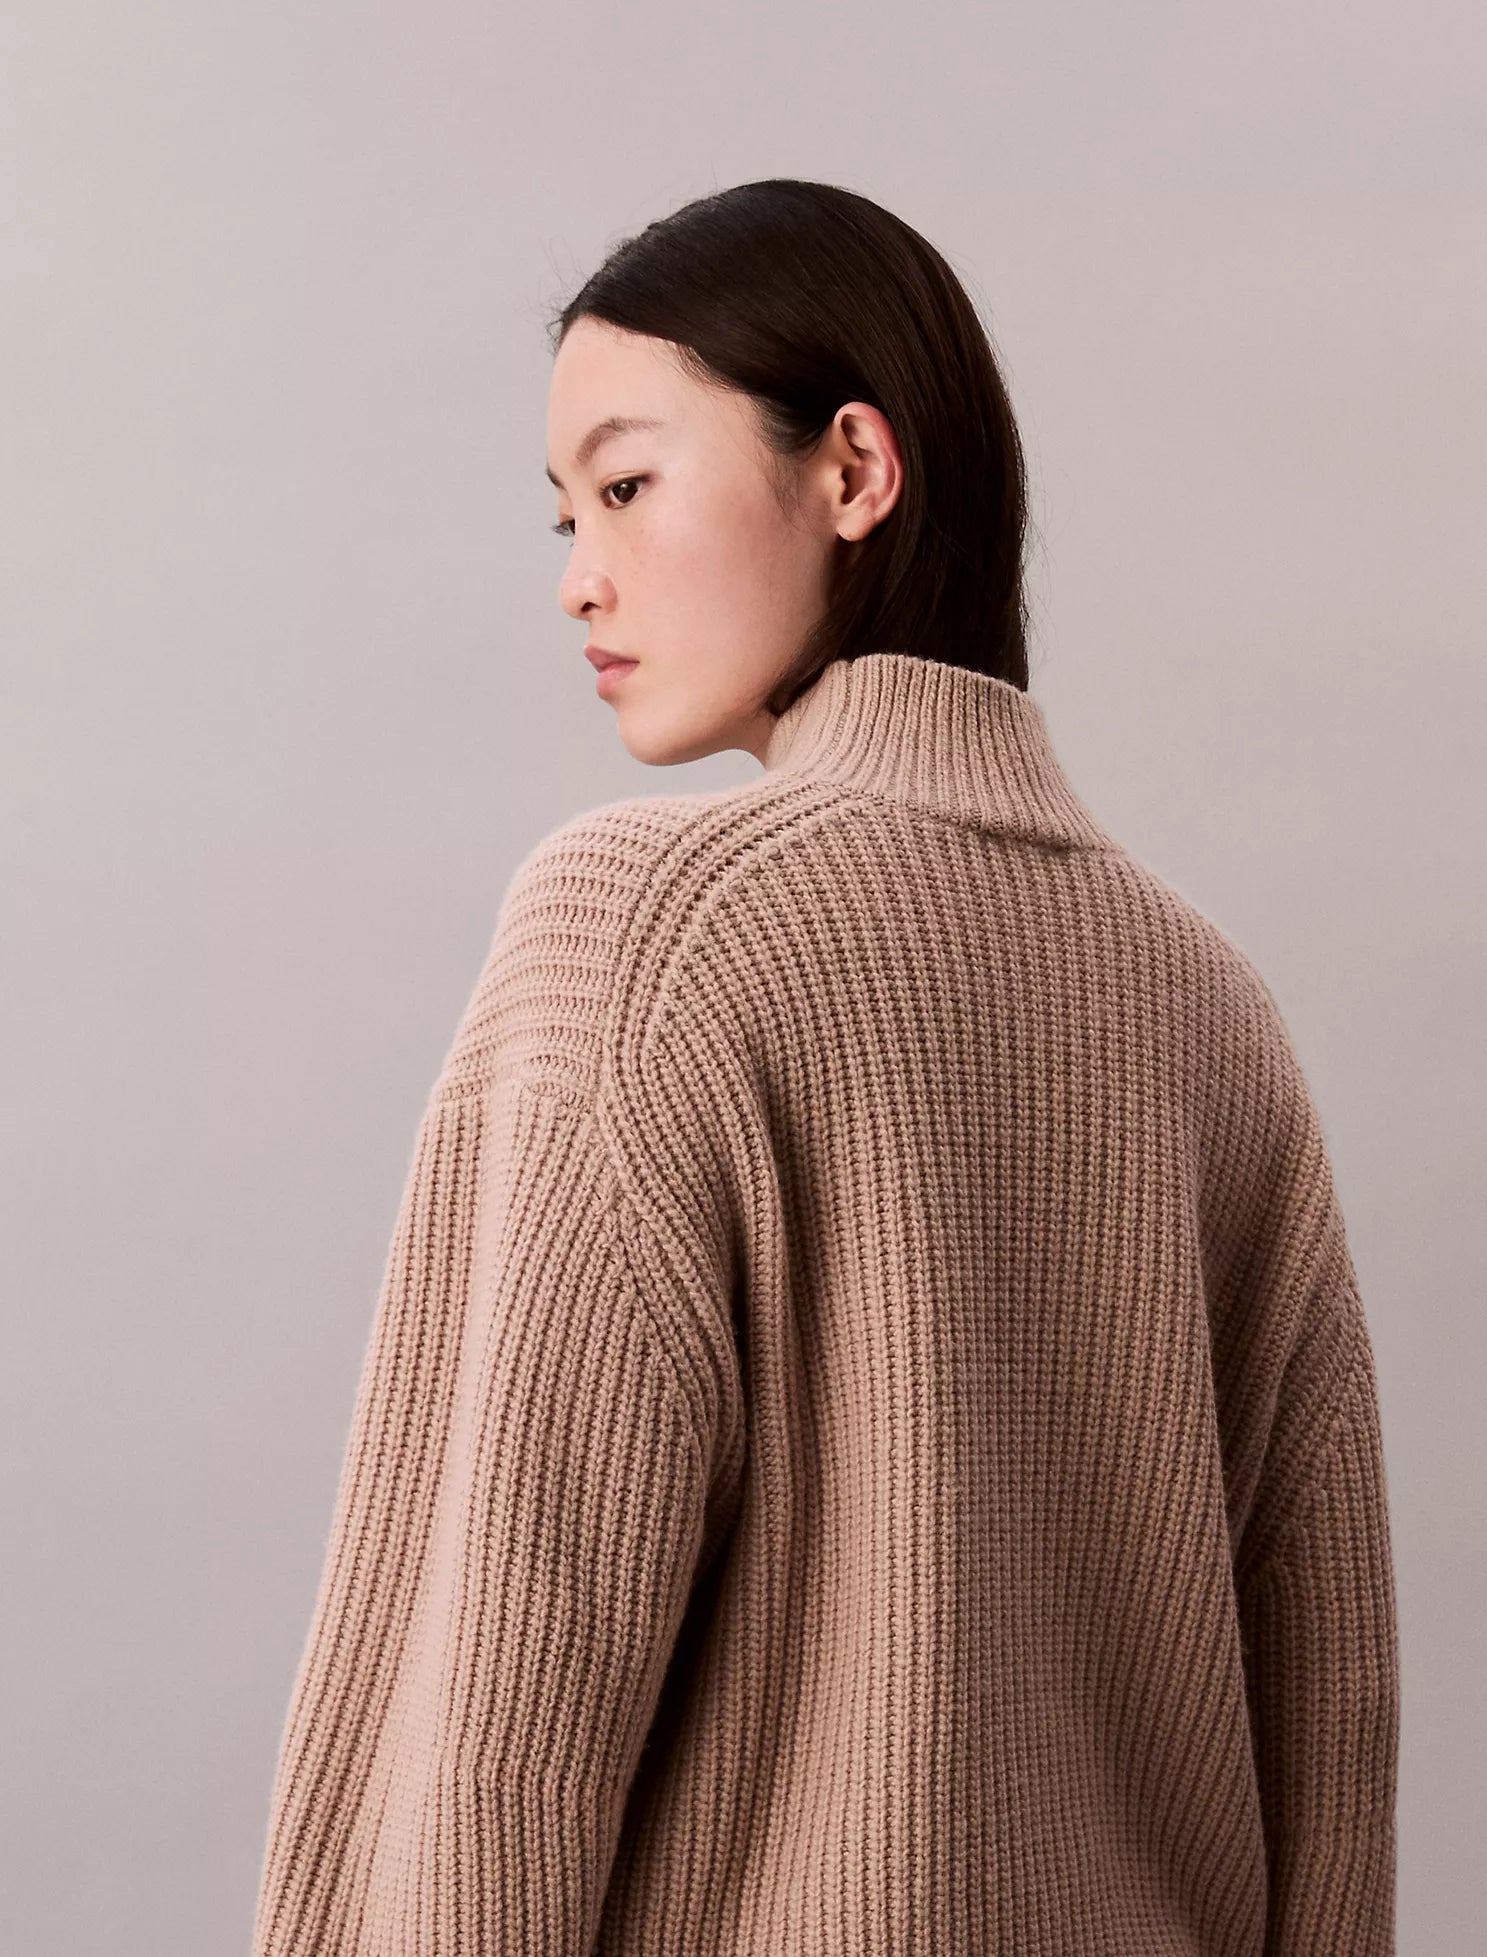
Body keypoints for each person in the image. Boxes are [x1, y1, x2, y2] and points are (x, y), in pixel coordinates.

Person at [250, 179, 1399, 1956]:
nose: (578, 576)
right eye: (563, 513)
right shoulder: (1217, 1016)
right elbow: (1329, 1735)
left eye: (626, 485)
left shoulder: (643, 933)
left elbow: (497, 1704)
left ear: (855, 470)